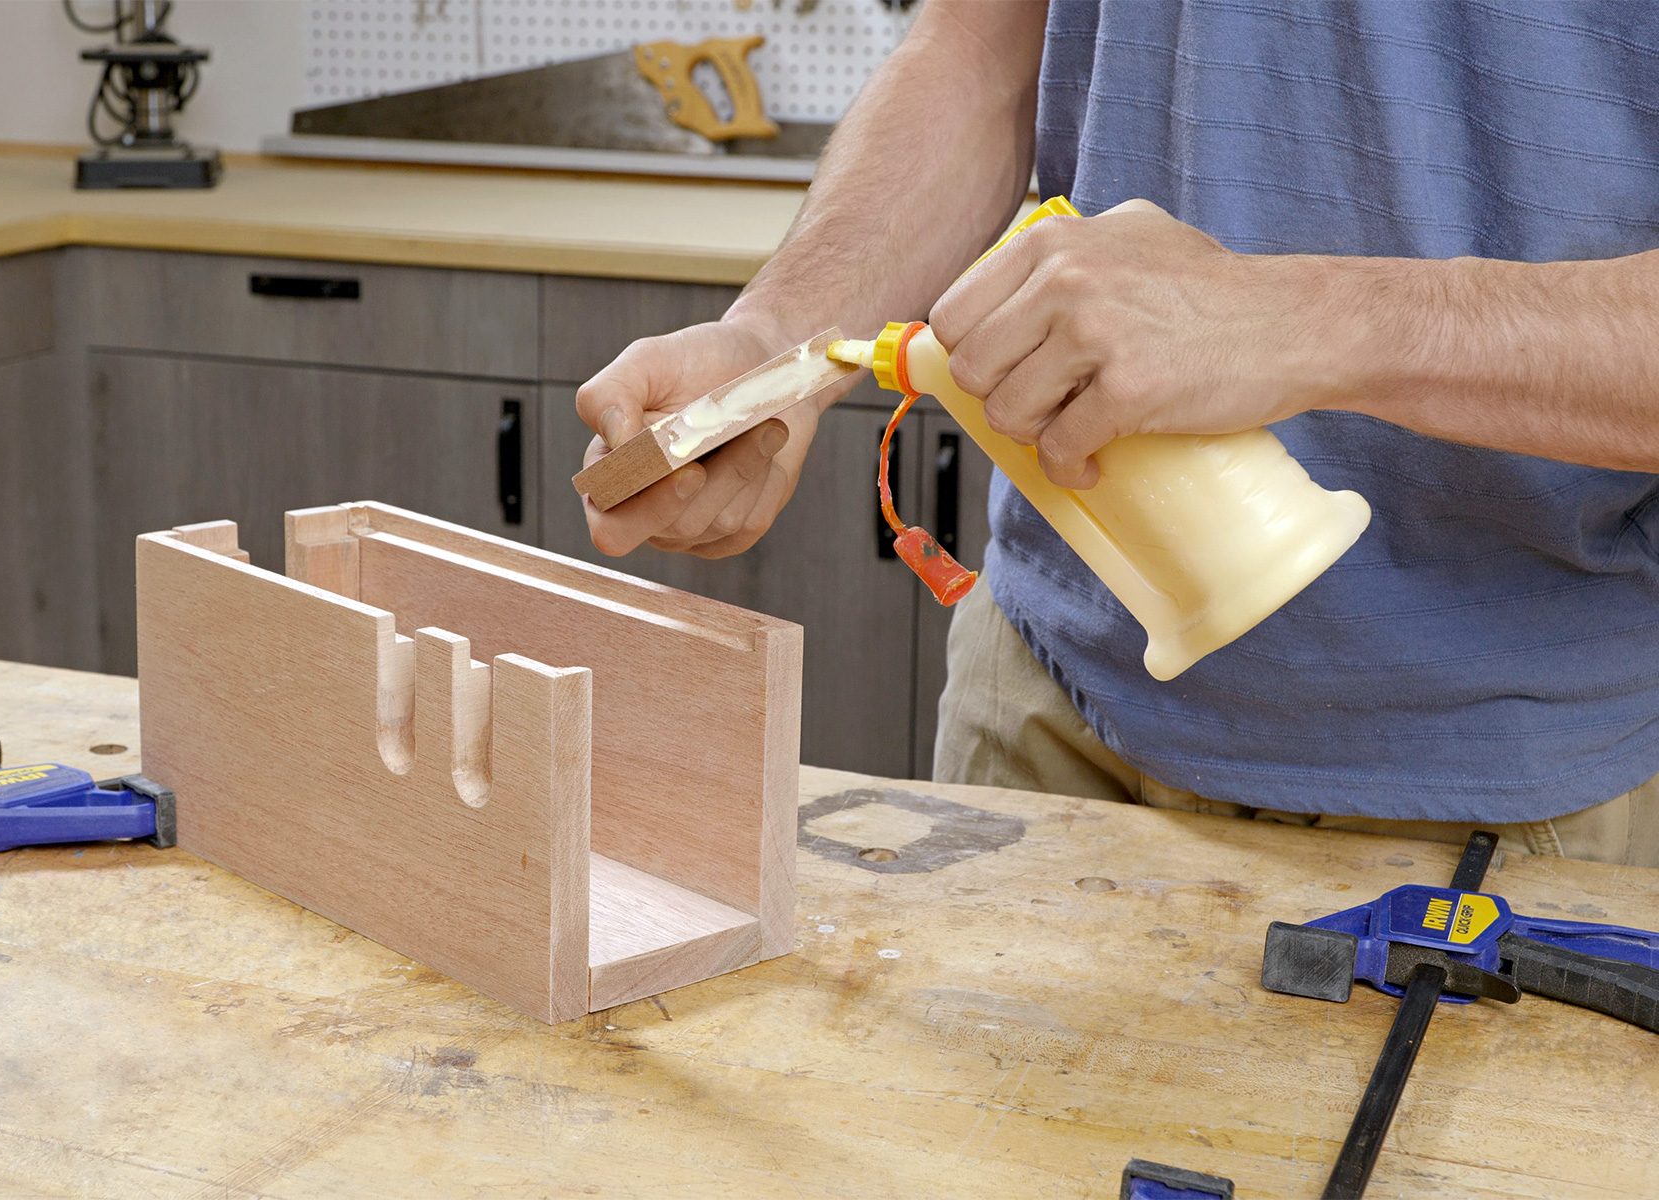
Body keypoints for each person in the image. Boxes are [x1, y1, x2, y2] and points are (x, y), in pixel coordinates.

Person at [574, 1, 1659, 866]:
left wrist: (1315, 317)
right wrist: (776, 337)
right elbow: (986, 50)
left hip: (1506, 791)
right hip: (1049, 705)